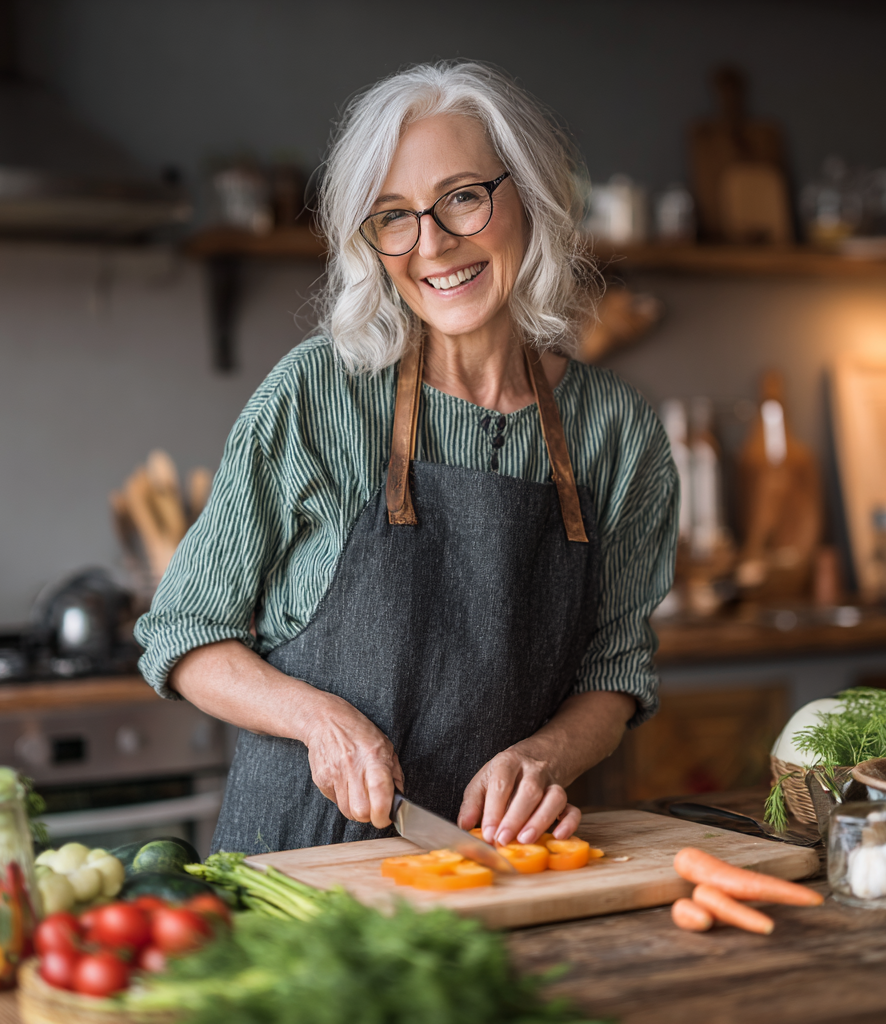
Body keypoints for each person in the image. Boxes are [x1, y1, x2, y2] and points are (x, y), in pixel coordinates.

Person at [135, 61, 678, 855]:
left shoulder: (617, 432)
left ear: (528, 192)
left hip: (493, 860)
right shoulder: (318, 395)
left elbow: (614, 670)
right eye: (393, 216)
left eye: (462, 197)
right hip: (300, 861)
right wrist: (320, 721)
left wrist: (544, 757)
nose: (432, 245)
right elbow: (183, 632)